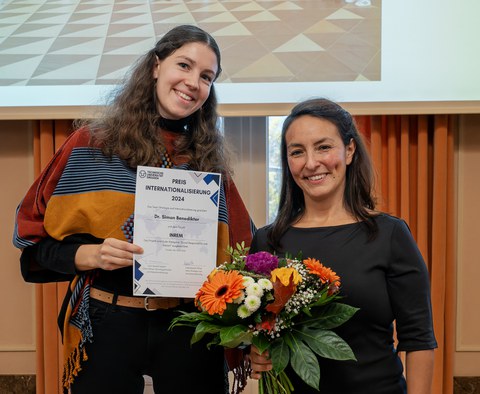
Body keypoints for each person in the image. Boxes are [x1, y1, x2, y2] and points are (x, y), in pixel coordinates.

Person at [13, 25, 254, 394]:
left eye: (206, 77)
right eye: (184, 66)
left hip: (188, 323)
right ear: (156, 66)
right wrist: (91, 254)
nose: (193, 82)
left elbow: (242, 253)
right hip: (106, 319)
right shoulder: (90, 145)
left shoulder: (211, 164)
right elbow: (36, 245)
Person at [247, 98, 437, 393]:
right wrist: (255, 352)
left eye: (323, 147)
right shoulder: (266, 241)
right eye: (297, 152)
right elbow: (257, 332)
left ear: (349, 150)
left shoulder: (390, 234)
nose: (311, 163)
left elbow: (418, 340)